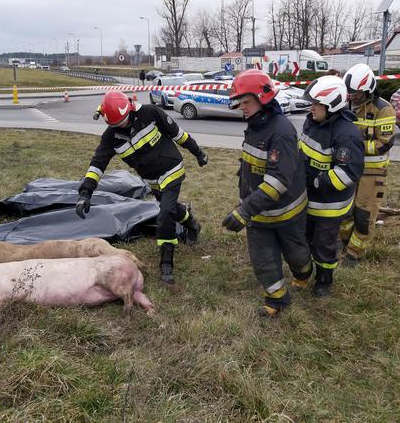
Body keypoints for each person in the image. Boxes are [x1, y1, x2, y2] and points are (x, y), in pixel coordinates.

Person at [76, 91, 208, 284]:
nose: (121, 125)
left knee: (164, 215)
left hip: (172, 169)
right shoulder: (111, 136)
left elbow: (178, 134)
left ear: (130, 109)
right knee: (170, 208)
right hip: (151, 180)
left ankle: (166, 263)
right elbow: (97, 164)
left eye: (123, 120)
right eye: (115, 124)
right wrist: (85, 192)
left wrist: (198, 153)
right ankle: (193, 225)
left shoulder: (151, 113)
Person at [221, 70, 311, 317]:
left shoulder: (281, 131)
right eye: (240, 102)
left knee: (296, 254)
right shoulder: (255, 125)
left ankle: (304, 272)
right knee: (262, 258)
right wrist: (247, 206)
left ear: (264, 97)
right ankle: (277, 299)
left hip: (286, 212)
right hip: (258, 213)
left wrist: (244, 210)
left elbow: (278, 181)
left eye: (247, 102)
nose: (243, 108)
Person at [299, 75, 364, 297]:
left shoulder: (347, 135)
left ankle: (324, 280)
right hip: (308, 198)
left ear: (332, 105)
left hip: (330, 205)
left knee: (324, 246)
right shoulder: (312, 121)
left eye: (316, 104)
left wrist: (316, 180)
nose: (311, 107)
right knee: (305, 238)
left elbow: (347, 174)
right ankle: (306, 271)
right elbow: (304, 151)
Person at [338, 64, 396, 266]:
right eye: (350, 92)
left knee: (364, 215)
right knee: (344, 211)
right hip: (347, 169)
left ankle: (355, 253)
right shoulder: (344, 106)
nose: (352, 96)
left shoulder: (383, 109)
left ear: (368, 90)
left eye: (356, 93)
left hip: (372, 172)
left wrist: (354, 146)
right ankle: (345, 242)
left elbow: (384, 144)